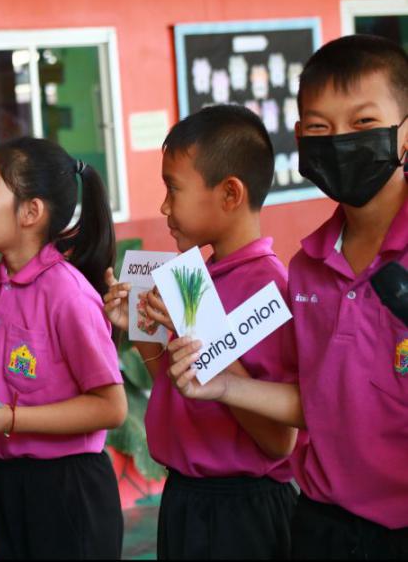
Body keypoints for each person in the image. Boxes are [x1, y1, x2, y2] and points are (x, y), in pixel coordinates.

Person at [166, 34, 408, 559]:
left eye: (364, 123)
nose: (340, 141)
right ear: (300, 137)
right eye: (320, 128)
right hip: (321, 524)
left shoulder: (270, 276)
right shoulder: (308, 268)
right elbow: (315, 401)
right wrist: (224, 386)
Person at [104, 105, 299, 559]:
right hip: (186, 499)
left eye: (173, 188)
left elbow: (278, 441)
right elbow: (180, 391)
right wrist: (141, 329)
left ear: (230, 193)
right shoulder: (197, 278)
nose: (163, 206)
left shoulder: (268, 287)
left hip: (243, 510)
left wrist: (203, 336)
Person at [0, 137, 127, 560]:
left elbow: (111, 407)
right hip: (6, 484)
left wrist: (9, 419)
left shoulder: (68, 294)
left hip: (68, 491)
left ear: (31, 212)